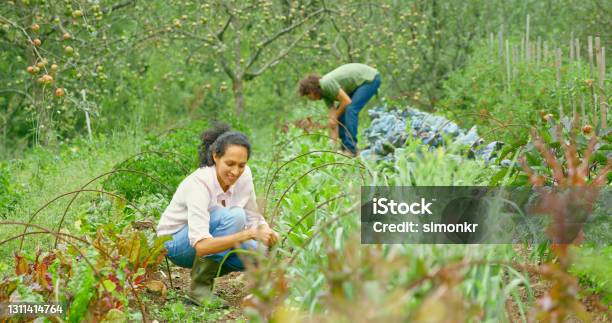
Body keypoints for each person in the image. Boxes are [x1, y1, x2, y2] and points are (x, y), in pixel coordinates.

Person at [157, 123, 278, 306]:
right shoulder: (200, 183)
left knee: (259, 251)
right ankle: (199, 289)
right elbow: (201, 246)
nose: (235, 171)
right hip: (175, 243)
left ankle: (253, 287)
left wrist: (266, 231)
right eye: (229, 164)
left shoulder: (244, 176)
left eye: (241, 165)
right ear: (215, 157)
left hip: (213, 235)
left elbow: (253, 217)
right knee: (235, 217)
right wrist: (247, 234)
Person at [299, 63, 381, 156]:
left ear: (311, 90)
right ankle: (345, 146)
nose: (310, 99)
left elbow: (346, 102)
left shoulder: (326, 84)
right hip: (362, 82)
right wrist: (332, 144)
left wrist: (334, 117)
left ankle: (351, 149)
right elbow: (333, 121)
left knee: (351, 109)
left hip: (370, 78)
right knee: (341, 113)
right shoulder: (324, 94)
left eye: (308, 96)